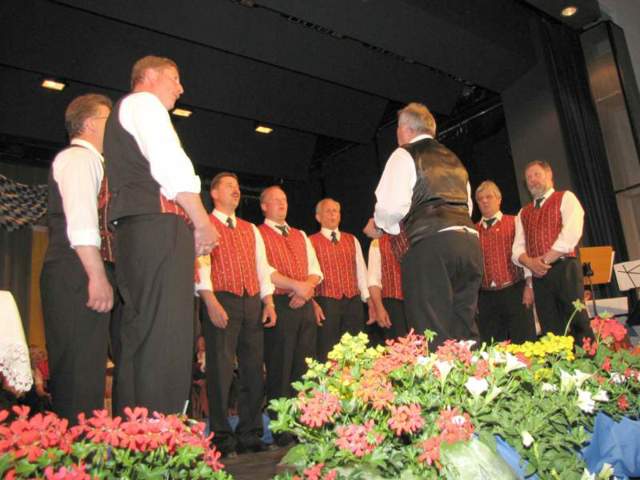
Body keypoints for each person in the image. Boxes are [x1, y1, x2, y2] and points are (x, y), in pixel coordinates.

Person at [104, 56, 218, 416]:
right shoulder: (144, 103)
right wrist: (201, 220)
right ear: (149, 75)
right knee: (167, 335)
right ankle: (162, 433)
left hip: (138, 233)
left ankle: (134, 431)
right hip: (157, 228)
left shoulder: (126, 112)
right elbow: (170, 164)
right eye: (175, 78)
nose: (181, 88)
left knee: (141, 334)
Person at [364, 102, 482, 347]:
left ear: (406, 129)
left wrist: (381, 226)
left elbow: (390, 207)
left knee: (432, 330)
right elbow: (468, 207)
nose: (397, 134)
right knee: (464, 326)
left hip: (431, 245)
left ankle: (438, 372)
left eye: (398, 128)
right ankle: (471, 370)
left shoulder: (404, 154)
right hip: (468, 243)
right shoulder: (454, 159)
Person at [40, 93, 114, 423]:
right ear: (90, 124)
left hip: (79, 270)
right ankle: (77, 449)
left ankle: (86, 445)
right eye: (108, 121)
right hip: (76, 271)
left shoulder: (94, 162)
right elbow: (82, 221)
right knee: (77, 373)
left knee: (88, 370)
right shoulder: (79, 159)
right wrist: (97, 277)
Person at [195, 172, 278, 457]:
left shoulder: (250, 229)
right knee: (220, 370)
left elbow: (262, 266)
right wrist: (210, 300)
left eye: (238, 187)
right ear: (214, 193)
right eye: (229, 186)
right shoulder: (205, 224)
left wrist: (268, 302)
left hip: (251, 300)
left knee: (253, 370)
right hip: (222, 300)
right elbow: (200, 265)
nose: (236, 190)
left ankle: (250, 433)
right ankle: (221, 437)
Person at [257, 185, 322, 446]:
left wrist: (305, 290)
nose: (282, 204)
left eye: (284, 199)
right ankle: (281, 428)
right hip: (280, 304)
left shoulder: (300, 234)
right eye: (275, 200)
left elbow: (315, 270)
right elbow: (264, 270)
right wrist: (297, 286)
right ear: (264, 206)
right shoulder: (259, 234)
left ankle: (303, 425)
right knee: (280, 368)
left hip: (303, 304)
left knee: (304, 369)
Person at [512, 160, 592, 342]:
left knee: (578, 322)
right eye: (528, 177)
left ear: (549, 175)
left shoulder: (566, 197)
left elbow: (571, 233)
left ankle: (589, 359)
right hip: (539, 277)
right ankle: (559, 361)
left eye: (537, 174)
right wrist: (530, 263)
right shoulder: (523, 213)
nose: (532, 180)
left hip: (565, 268)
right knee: (550, 328)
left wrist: (543, 261)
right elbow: (517, 249)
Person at [310, 198, 373, 361]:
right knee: (328, 349)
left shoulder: (352, 239)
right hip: (326, 301)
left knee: (355, 348)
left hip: (353, 301)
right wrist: (312, 302)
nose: (333, 214)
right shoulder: (310, 242)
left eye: (335, 211)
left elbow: (361, 272)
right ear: (318, 217)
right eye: (328, 211)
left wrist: (369, 301)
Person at [475, 181, 536, 343]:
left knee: (525, 344)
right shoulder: (473, 231)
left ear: (499, 199)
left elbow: (527, 253)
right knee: (492, 348)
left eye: (489, 197)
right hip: (486, 297)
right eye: (480, 199)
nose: (484, 201)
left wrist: (529, 286)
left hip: (515, 291)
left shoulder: (515, 222)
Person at [367, 232, 408, 340]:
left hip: (419, 300)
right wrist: (379, 308)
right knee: (397, 344)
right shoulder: (378, 243)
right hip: (393, 304)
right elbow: (373, 279)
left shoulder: (417, 235)